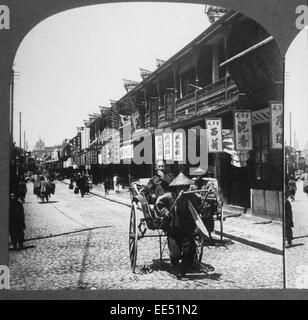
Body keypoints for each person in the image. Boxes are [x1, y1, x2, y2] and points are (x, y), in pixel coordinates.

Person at [155, 172, 201, 277]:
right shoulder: (168, 196)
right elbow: (158, 203)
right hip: (173, 229)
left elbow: (199, 199)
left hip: (186, 229)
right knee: (175, 254)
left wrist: (205, 196)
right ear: (175, 188)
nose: (182, 190)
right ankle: (174, 260)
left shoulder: (191, 196)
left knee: (190, 249)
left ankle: (184, 268)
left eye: (185, 187)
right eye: (180, 187)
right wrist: (165, 212)